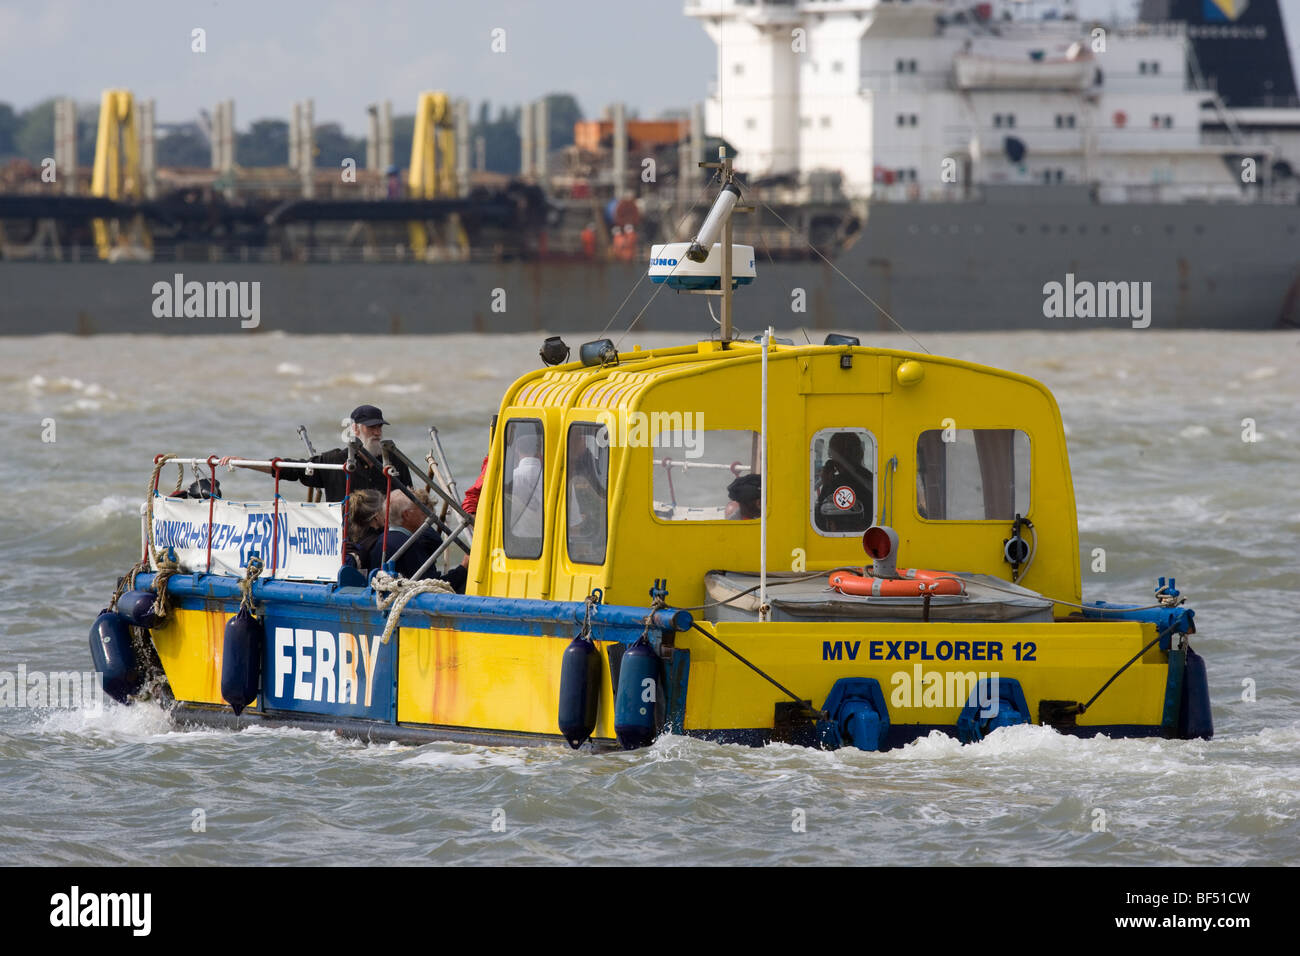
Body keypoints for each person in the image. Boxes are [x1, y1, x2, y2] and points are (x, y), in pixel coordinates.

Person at [221, 404, 411, 502]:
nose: (377, 433)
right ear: (355, 429)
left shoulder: (394, 461)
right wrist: (245, 463)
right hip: (347, 536)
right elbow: (291, 469)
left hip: (386, 535)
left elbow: (409, 496)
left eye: (379, 427)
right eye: (371, 428)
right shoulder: (334, 461)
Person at [816, 432, 873, 532]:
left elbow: (819, 519)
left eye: (831, 453)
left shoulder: (834, 484)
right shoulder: (870, 478)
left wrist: (826, 483)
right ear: (860, 453)